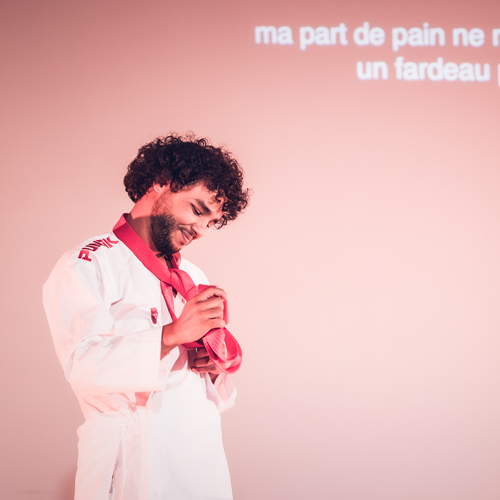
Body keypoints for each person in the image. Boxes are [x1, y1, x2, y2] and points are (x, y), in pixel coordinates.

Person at [43, 133, 250, 500]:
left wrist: (210, 367)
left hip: (199, 460)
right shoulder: (87, 263)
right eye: (197, 210)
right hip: (132, 460)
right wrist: (171, 335)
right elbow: (82, 365)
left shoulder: (192, 276)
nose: (201, 231)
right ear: (161, 182)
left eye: (211, 222)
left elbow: (208, 394)